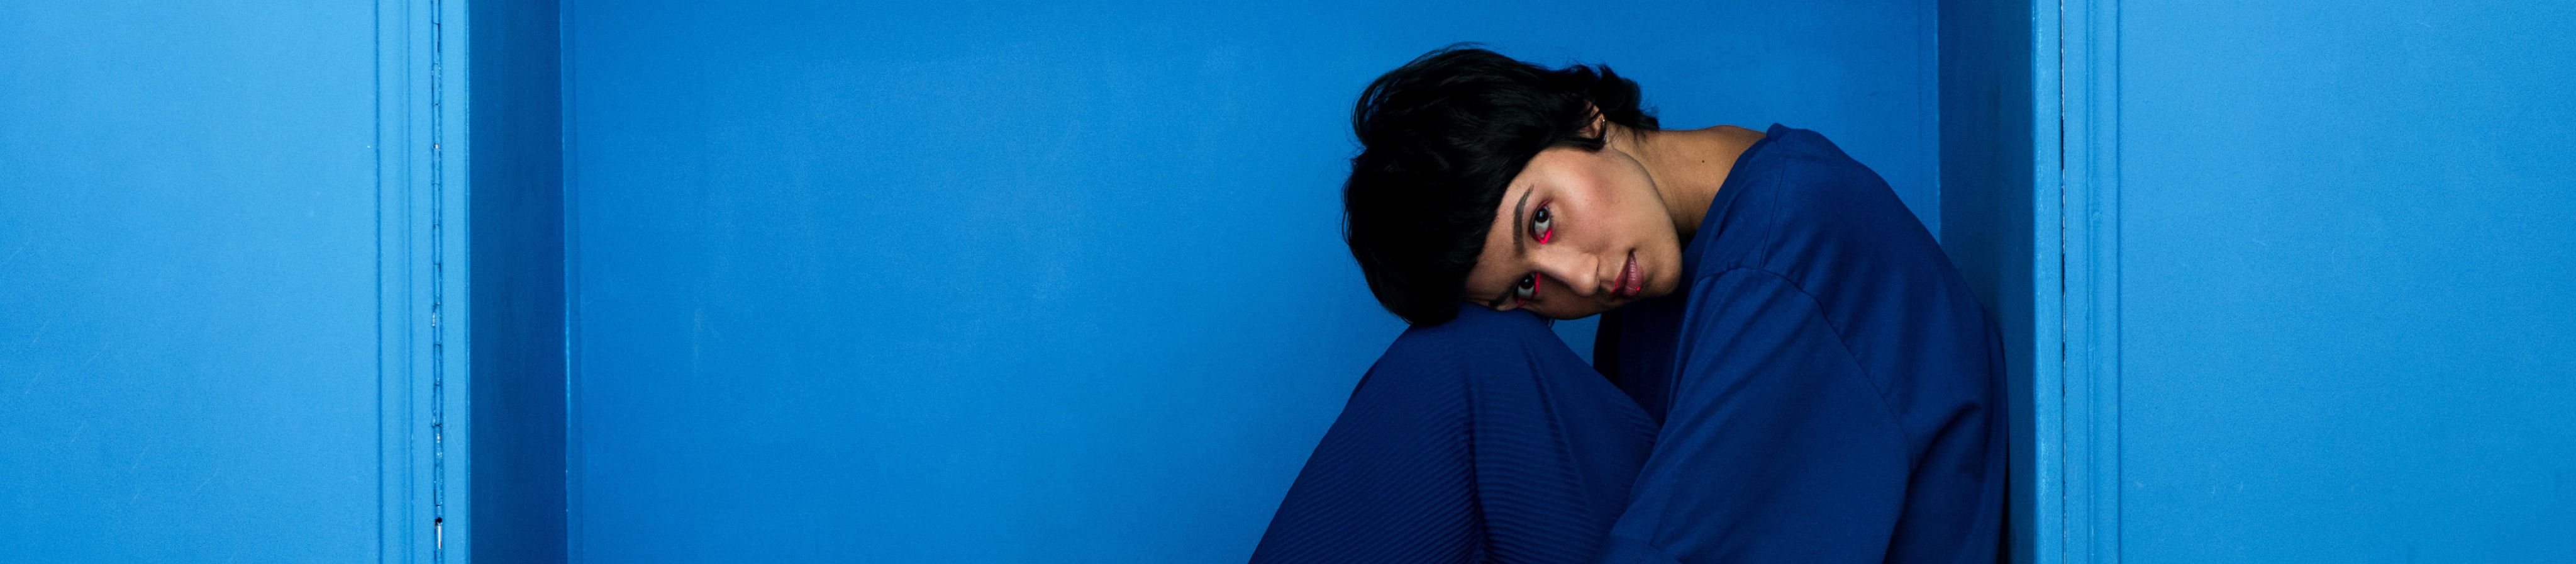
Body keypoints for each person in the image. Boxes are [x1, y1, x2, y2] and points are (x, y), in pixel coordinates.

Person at [1254, 46, 2004, 563]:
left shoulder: (1792, 236)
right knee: (1473, 345)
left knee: (1464, 360)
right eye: (1525, 287)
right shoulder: (1657, 296)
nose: (1575, 279)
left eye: (1539, 219)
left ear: (1582, 117)